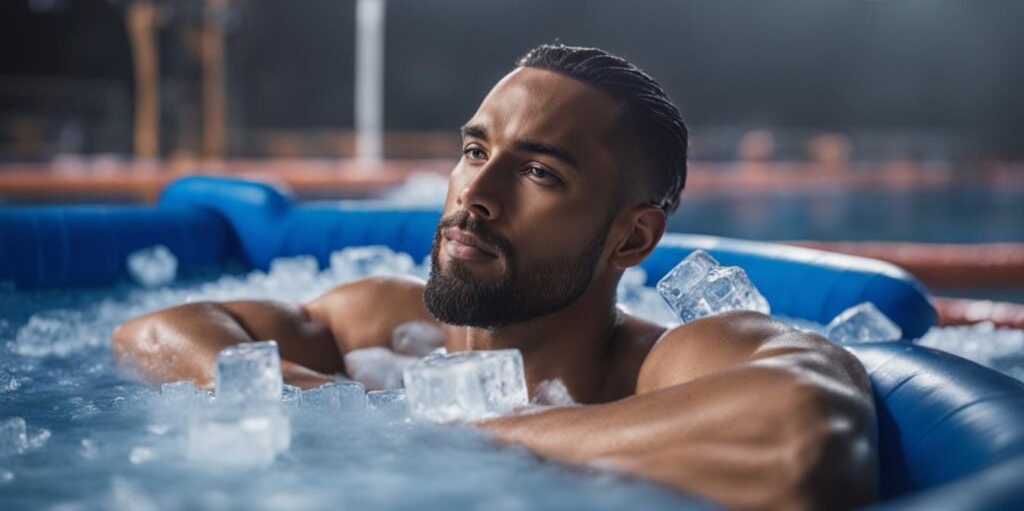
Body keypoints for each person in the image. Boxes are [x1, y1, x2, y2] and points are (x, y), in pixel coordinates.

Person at [113, 45, 878, 510]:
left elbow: (802, 437)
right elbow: (152, 332)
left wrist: (466, 434)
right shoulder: (382, 327)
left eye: (540, 171)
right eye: (476, 152)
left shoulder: (661, 369)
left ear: (632, 235)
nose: (475, 195)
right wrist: (334, 405)